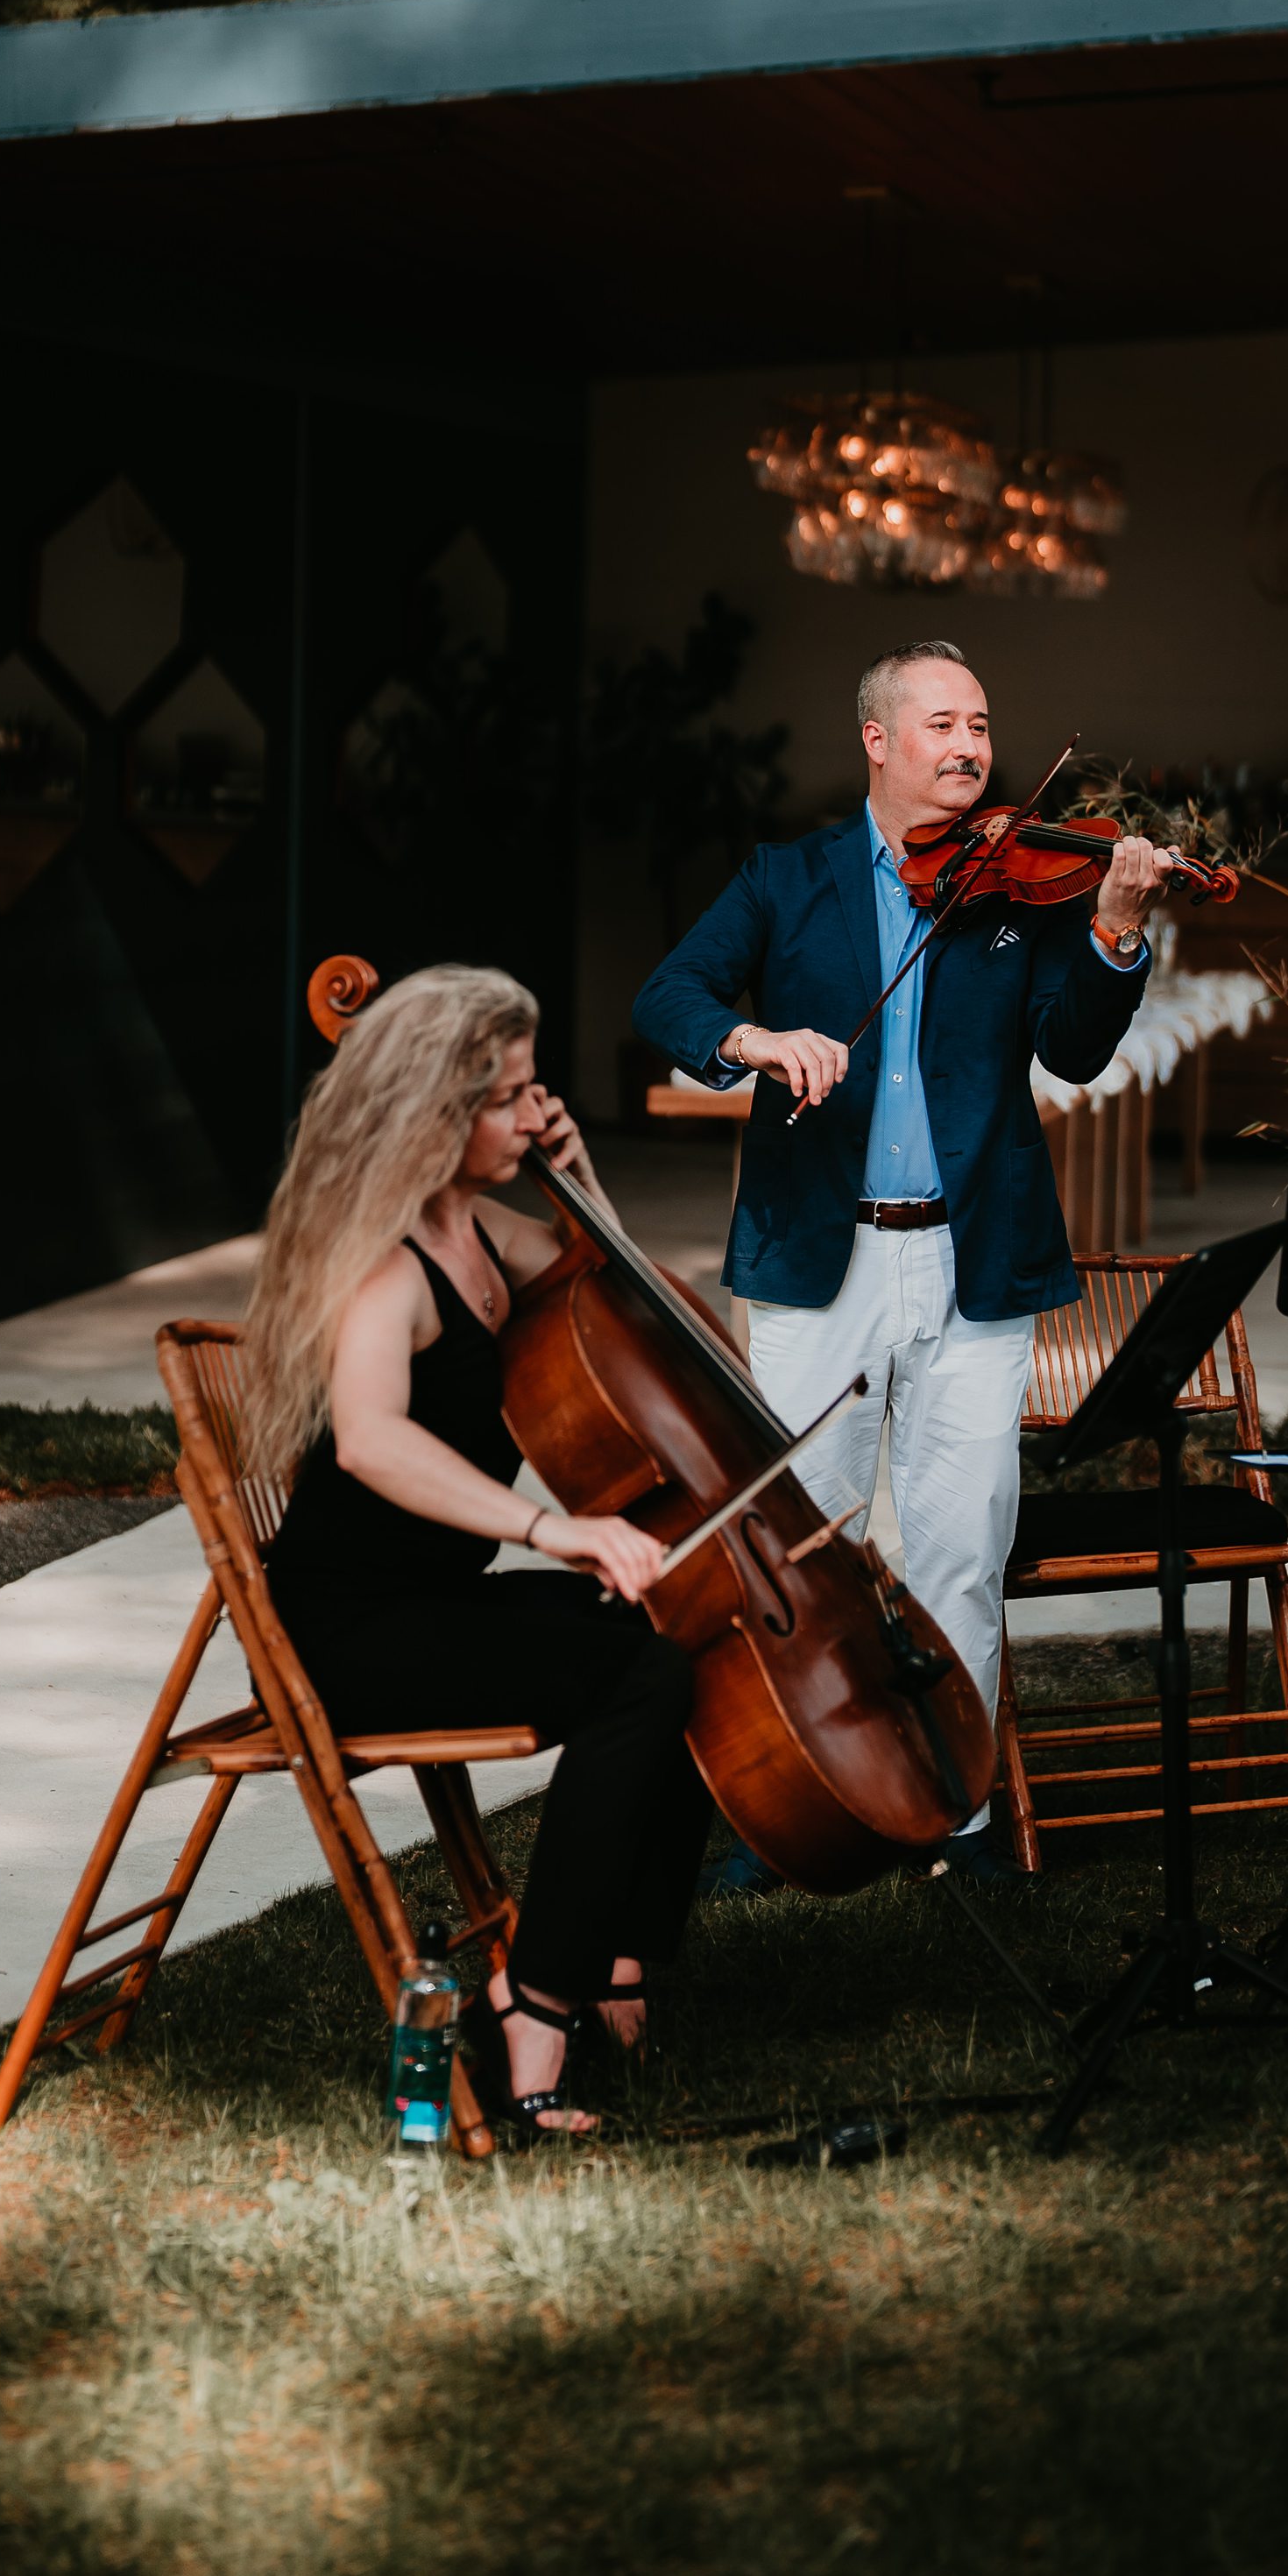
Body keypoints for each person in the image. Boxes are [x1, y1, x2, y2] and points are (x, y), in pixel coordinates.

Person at [633, 640, 1163, 1881]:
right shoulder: (789, 878)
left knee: (963, 1546)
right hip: (824, 1254)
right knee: (801, 1552)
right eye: (943, 724)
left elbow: (1074, 1054)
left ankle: (957, 1814)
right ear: (879, 739)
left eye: (982, 723)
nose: (971, 747)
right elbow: (671, 994)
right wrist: (753, 1039)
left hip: (973, 1260)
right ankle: (798, 1802)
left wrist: (1118, 932)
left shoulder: (1012, 888)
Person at [244, 963, 710, 2136]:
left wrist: (576, 1170)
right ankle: (538, 2004)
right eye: (507, 1097)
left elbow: (618, 1295)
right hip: (350, 1636)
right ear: (436, 1113)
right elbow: (371, 1444)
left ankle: (615, 1960)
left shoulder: (480, 1232)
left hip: (430, 1603)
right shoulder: (383, 1265)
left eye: (529, 1088)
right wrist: (554, 1529)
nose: (529, 1111)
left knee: (682, 1630)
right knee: (634, 1675)